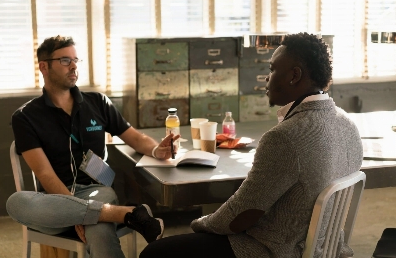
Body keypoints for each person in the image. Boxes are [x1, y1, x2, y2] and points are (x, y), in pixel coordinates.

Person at [140, 33, 363, 258]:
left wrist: (201, 224)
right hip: (324, 250)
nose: (267, 78)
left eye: (272, 69)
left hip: (274, 251)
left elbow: (241, 216)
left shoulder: (284, 138)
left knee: (154, 253)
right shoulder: (347, 124)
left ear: (294, 75)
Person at [6, 35, 180, 258]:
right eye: (65, 60)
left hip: (98, 191)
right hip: (56, 202)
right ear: (44, 67)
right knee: (16, 203)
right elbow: (44, 175)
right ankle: (128, 214)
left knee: (98, 228)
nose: (74, 66)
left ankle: (106, 214)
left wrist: (158, 150)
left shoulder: (97, 102)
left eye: (76, 60)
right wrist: (76, 211)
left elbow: (134, 138)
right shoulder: (25, 117)